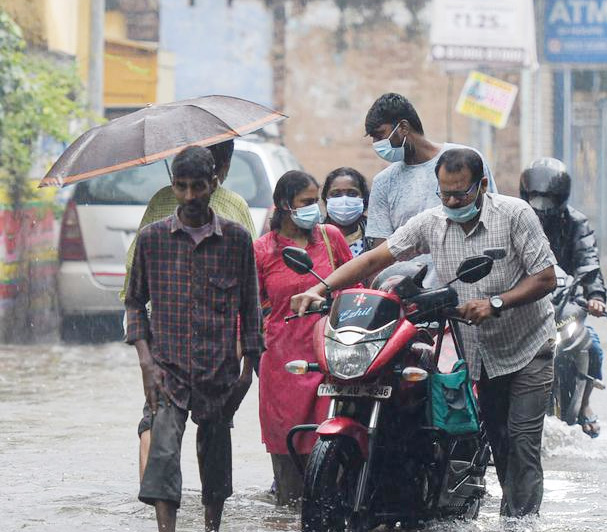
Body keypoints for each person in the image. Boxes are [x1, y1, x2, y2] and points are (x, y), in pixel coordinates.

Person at [291, 148, 557, 519]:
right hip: (480, 353)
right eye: (443, 193)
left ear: (481, 186)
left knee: (523, 443)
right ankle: (506, 514)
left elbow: (545, 277)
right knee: (501, 444)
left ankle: (521, 524)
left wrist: (495, 303)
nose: (450, 202)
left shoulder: (515, 214)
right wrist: (320, 289)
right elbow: (375, 259)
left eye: (460, 194)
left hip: (529, 348)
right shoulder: (431, 222)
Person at [125, 146, 262, 532]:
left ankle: (211, 527)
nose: (189, 196)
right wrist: (145, 362)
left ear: (213, 184)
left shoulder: (236, 240)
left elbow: (251, 308)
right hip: (166, 369)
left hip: (219, 368)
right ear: (172, 186)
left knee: (215, 460)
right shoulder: (152, 240)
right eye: (181, 187)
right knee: (163, 456)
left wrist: (248, 371)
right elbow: (135, 302)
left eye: (198, 186)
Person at [254, 170, 354, 505]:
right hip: (282, 362)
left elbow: (355, 288)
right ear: (284, 205)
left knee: (333, 444)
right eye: (306, 203)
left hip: (330, 355)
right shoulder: (262, 250)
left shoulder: (330, 237)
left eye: (317, 202)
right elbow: (248, 307)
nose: (315, 209)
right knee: (287, 455)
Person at [520, 157, 606, 438]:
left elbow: (588, 262)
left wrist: (595, 296)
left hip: (564, 302)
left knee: (592, 344)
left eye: (549, 198)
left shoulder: (576, 223)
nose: (542, 204)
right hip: (523, 299)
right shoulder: (518, 218)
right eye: (536, 197)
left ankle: (584, 405)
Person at [364, 92, 497, 249]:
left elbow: (494, 218)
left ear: (403, 127)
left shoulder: (466, 160)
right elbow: (381, 250)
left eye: (380, 136)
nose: (376, 144)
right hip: (410, 274)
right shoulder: (383, 182)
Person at [321, 166, 371, 257]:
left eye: (352, 193)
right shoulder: (314, 237)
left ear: (364, 198)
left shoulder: (375, 237)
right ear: (326, 199)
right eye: (336, 194)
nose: (344, 199)